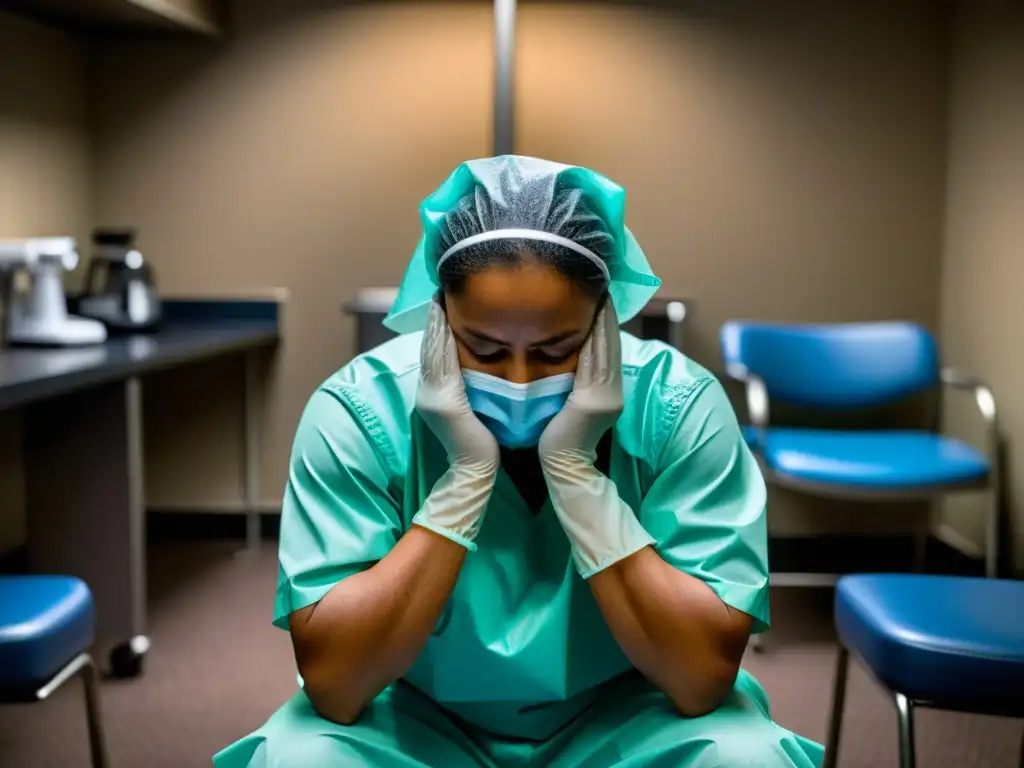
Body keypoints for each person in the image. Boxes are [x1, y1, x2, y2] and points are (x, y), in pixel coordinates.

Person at [214, 156, 823, 767]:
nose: (521, 380)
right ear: (439, 318)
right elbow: (336, 684)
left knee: (747, 758)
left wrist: (578, 476)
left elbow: (699, 679)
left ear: (603, 321)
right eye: (484, 348)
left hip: (630, 720)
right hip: (417, 724)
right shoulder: (358, 412)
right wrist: (463, 482)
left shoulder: (676, 407)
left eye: (558, 350)